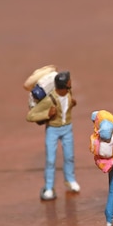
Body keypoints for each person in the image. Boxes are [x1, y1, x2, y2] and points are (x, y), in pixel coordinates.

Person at [26, 71, 80, 200]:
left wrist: (72, 103)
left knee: (69, 156)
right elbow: (30, 116)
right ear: (64, 85)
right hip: (53, 130)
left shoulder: (68, 93)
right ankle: (49, 187)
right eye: (68, 81)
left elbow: (67, 105)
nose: (71, 82)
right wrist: (47, 115)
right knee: (50, 160)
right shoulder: (49, 100)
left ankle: (70, 180)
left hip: (67, 128)